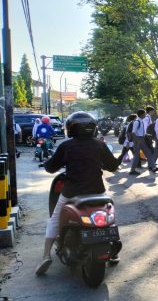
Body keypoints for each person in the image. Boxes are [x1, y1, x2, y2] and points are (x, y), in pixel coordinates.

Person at [35, 111, 120, 275]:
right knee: (109, 217)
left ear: (70, 129)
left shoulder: (66, 146)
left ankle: (46, 256)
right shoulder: (100, 145)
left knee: (54, 220)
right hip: (98, 191)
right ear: (93, 128)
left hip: (72, 193)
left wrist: (46, 163)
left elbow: (51, 167)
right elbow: (112, 166)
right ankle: (114, 251)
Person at [129, 109, 158, 175]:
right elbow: (133, 132)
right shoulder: (137, 121)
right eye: (144, 114)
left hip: (142, 139)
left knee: (149, 153)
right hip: (138, 140)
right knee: (137, 156)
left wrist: (146, 135)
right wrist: (137, 140)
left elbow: (140, 132)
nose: (145, 115)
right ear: (141, 115)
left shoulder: (141, 121)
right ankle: (132, 170)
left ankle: (153, 167)